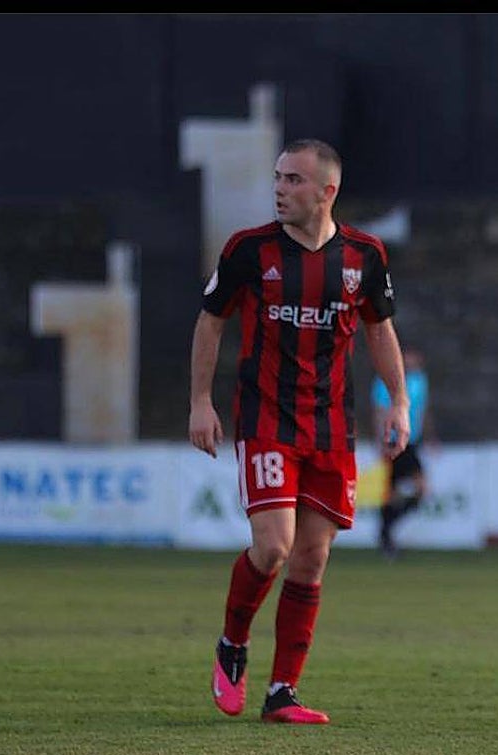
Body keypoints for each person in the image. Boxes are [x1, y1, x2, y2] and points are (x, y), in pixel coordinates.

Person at [188, 138, 411, 725]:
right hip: (266, 419)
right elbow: (210, 322)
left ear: (326, 192)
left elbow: (380, 330)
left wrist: (399, 403)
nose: (280, 189)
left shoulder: (364, 255)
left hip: (331, 426)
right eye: (278, 178)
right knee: (274, 546)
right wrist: (200, 402)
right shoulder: (248, 249)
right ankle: (233, 642)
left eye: (293, 180)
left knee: (311, 559)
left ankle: (282, 692)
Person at [372, 347, 430, 556]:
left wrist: (429, 437)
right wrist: (381, 441)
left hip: (412, 441)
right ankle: (386, 536)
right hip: (394, 441)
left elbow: (422, 410)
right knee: (394, 492)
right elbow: (379, 412)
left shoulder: (420, 380)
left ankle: (386, 531)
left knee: (418, 489)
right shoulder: (385, 381)